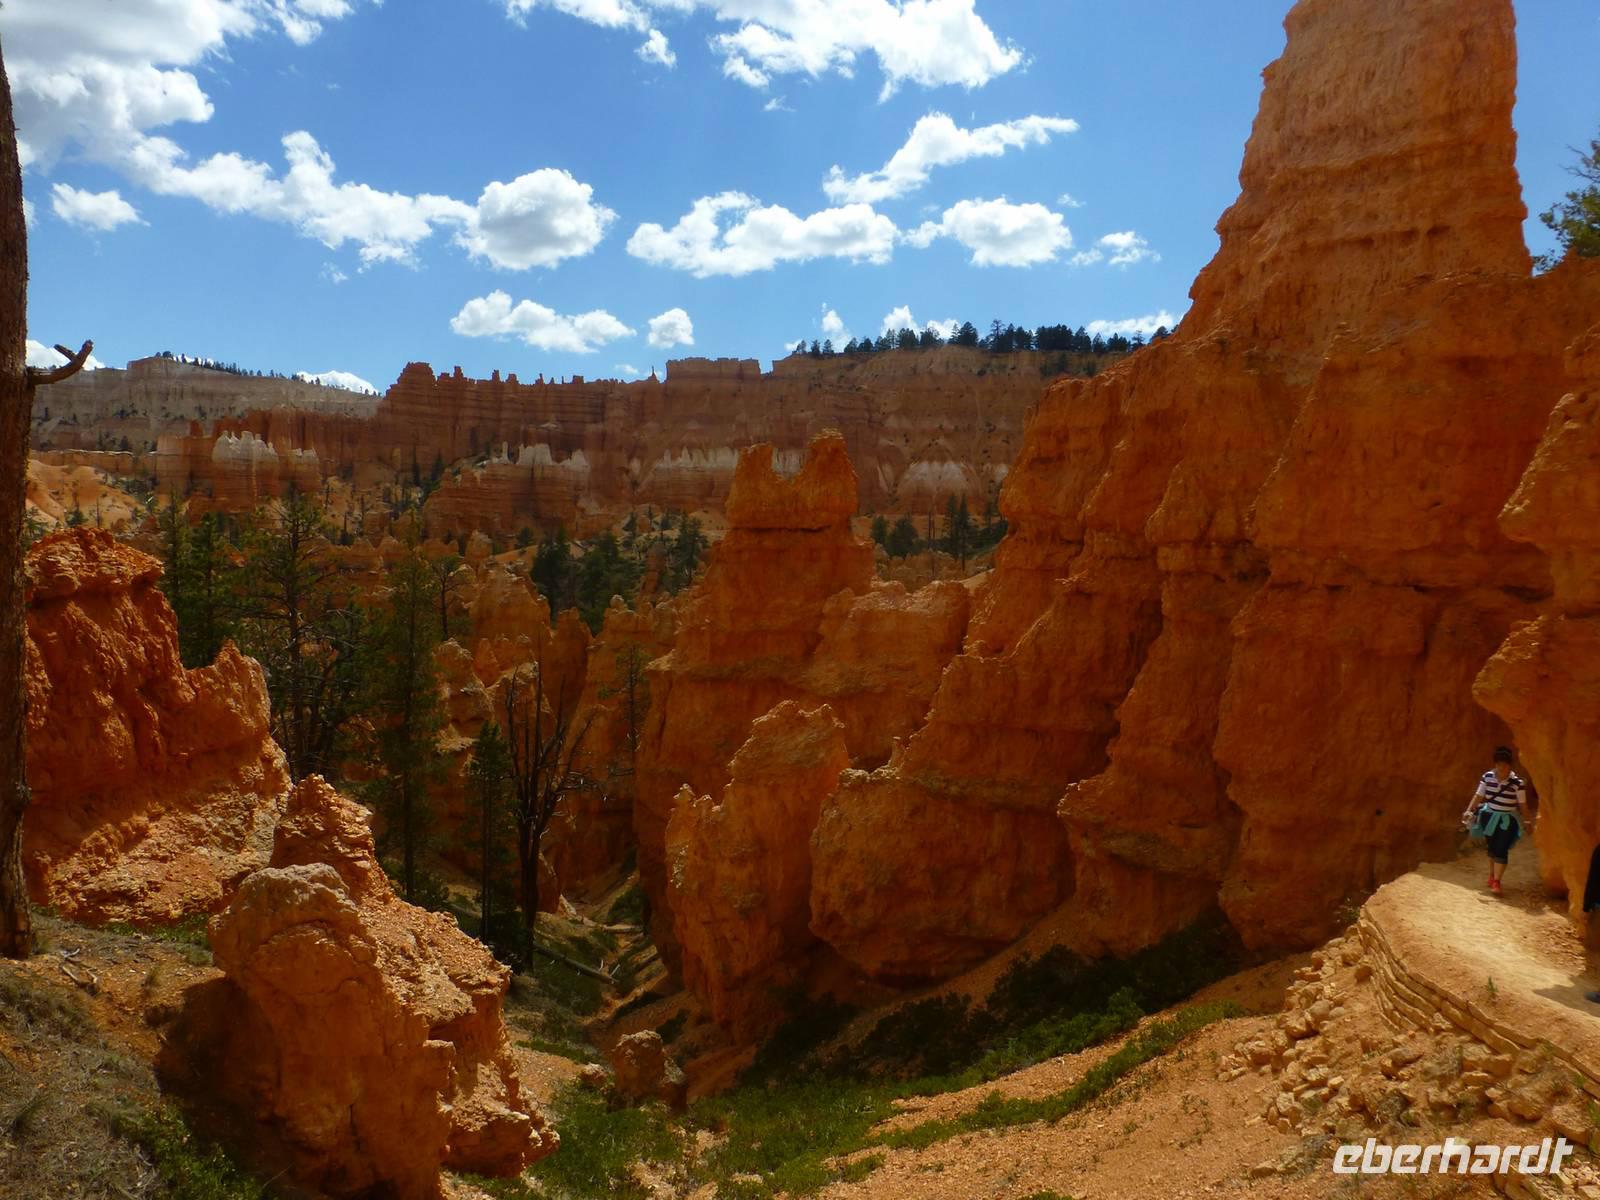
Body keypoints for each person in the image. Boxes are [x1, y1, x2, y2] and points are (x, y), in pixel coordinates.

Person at [1461, 746, 1532, 894]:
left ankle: (1497, 882)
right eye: (1499, 764)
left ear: (1510, 765)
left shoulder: (1517, 783)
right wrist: (1469, 810)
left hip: (1507, 820)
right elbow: (1478, 796)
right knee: (1492, 848)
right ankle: (1493, 875)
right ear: (1495, 764)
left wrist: (1527, 821)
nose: (1501, 768)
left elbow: (1523, 804)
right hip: (1489, 817)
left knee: (1501, 848)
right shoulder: (1487, 777)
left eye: (1504, 765)